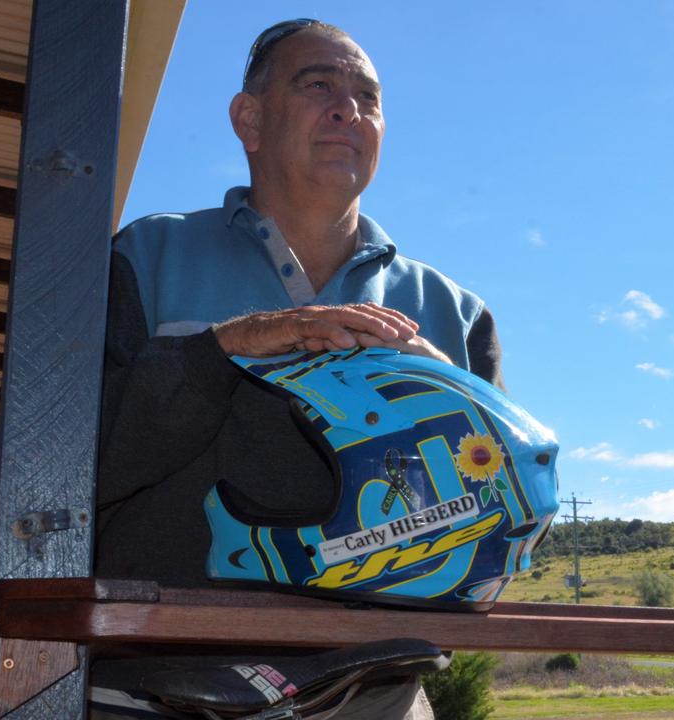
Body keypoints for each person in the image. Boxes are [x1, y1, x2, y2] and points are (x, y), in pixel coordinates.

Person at [91, 19, 500, 719]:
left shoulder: (454, 314)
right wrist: (225, 347)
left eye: (368, 97)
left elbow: (497, 526)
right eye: (319, 85)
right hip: (155, 690)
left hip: (378, 696)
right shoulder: (144, 257)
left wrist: (443, 393)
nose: (350, 109)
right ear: (248, 119)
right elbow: (72, 467)